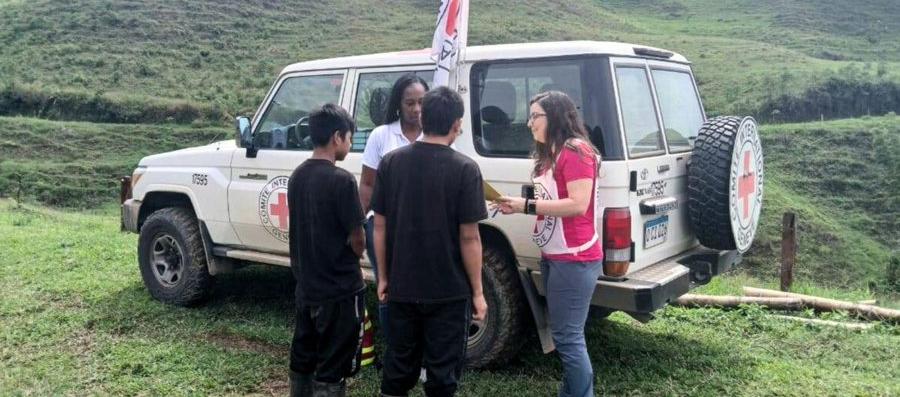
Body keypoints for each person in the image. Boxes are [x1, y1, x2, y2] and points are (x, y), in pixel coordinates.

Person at [372, 86, 488, 397]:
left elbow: (379, 227)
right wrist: (478, 292)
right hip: (448, 293)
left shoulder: (391, 163)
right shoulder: (466, 169)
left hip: (402, 288)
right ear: (456, 124)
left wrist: (383, 277)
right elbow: (469, 237)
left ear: (423, 118)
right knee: (442, 377)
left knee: (397, 369)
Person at [495, 91, 603, 397]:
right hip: (555, 255)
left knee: (568, 338)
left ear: (555, 116)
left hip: (575, 256)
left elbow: (578, 204)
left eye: (535, 116)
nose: (529, 123)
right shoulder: (550, 154)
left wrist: (525, 206)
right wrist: (517, 204)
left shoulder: (576, 150)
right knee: (565, 334)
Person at [287, 104, 366, 397]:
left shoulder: (297, 176)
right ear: (337, 137)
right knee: (332, 368)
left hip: (307, 289)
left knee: (303, 361)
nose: (349, 144)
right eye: (348, 138)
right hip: (340, 292)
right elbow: (357, 239)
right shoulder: (342, 180)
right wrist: (357, 247)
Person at [359, 74, 429, 339]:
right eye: (410, 103)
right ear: (399, 104)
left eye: (422, 102)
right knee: (388, 290)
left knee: (422, 291)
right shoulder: (381, 135)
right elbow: (367, 184)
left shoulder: (436, 135)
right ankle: (396, 352)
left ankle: (419, 355)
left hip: (424, 229)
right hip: (383, 227)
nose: (416, 109)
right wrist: (360, 222)